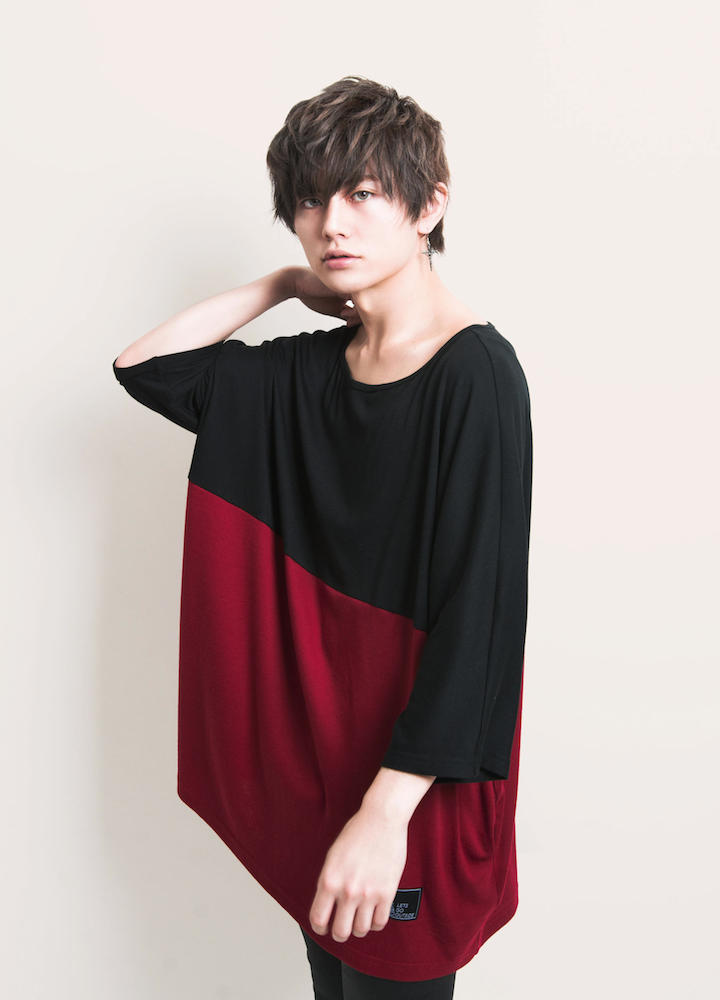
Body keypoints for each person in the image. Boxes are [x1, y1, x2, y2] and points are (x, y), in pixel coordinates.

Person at [112, 76, 533, 998]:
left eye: (363, 193)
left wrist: (387, 813)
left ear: (429, 207)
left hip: (412, 793)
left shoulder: (477, 375)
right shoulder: (307, 372)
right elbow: (147, 369)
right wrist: (282, 285)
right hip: (326, 779)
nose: (331, 223)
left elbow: (482, 619)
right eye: (309, 201)